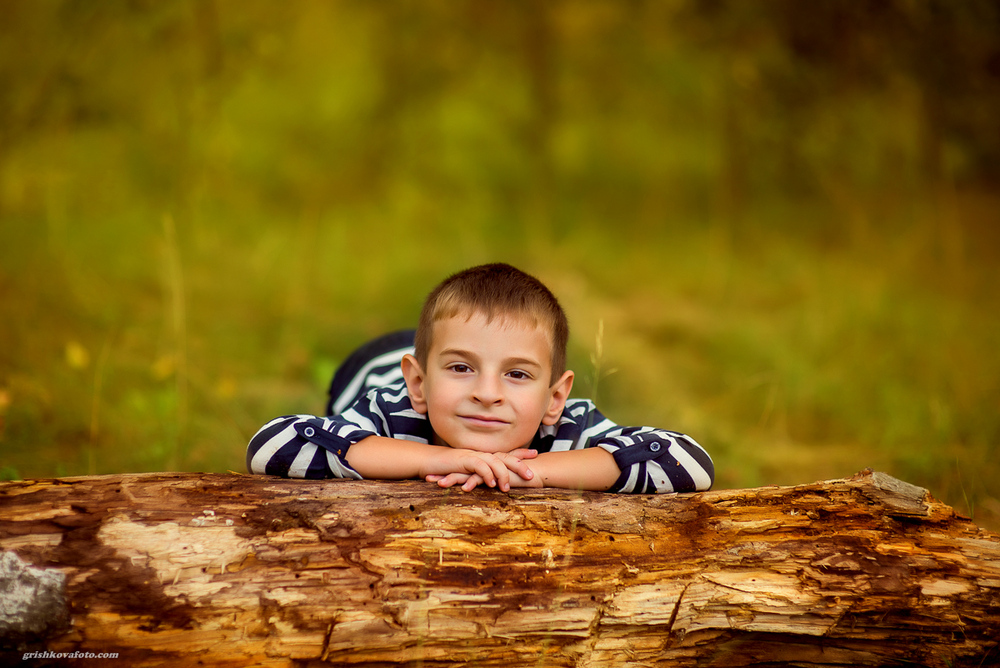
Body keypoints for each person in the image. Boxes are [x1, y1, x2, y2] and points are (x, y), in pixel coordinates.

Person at [246, 263, 713, 494]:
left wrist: (530, 472)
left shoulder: (566, 427)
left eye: (516, 374)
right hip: (373, 366)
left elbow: (689, 462)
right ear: (420, 384)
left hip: (426, 361)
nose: (487, 394)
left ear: (555, 397)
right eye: (461, 368)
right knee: (334, 458)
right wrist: (441, 459)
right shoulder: (389, 410)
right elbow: (270, 446)